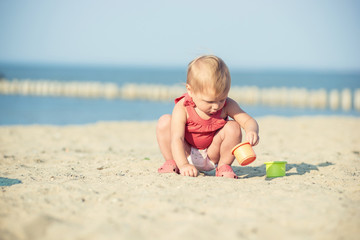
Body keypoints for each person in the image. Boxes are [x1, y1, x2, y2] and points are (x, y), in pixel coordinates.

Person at [156, 55, 259, 178]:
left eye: (221, 99)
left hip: (211, 155)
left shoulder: (227, 105)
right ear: (190, 90)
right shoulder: (183, 107)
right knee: (165, 121)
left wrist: (252, 130)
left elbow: (248, 120)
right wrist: (183, 164)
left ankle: (223, 166)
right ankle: (171, 162)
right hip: (185, 153)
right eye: (209, 102)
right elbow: (177, 139)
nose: (216, 106)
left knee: (234, 127)